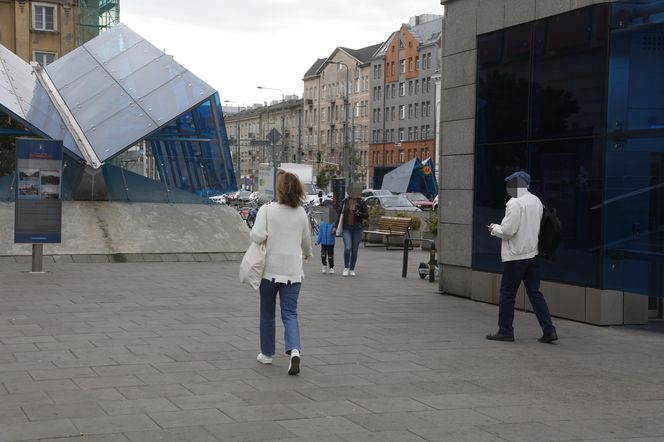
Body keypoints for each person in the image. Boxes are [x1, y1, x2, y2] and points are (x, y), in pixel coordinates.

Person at [250, 171, 313, 375]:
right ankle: (294, 350)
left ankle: (267, 354)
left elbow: (257, 236)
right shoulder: (301, 213)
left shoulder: (267, 210)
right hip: (293, 272)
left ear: (279, 189)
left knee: (267, 312)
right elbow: (306, 241)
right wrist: (308, 254)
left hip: (270, 271)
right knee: (290, 313)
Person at [486, 171, 558, 344]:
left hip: (516, 255)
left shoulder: (514, 203)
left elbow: (508, 231)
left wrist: (494, 228)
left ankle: (505, 331)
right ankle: (549, 330)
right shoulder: (536, 201)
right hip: (532, 254)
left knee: (507, 294)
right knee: (535, 293)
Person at [333, 183, 368, 277]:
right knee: (348, 247)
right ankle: (346, 267)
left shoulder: (362, 202)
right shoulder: (345, 202)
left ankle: (352, 269)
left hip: (357, 228)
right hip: (347, 228)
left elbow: (366, 215)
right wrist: (335, 227)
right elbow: (339, 215)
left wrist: (358, 213)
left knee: (355, 250)